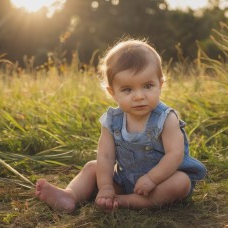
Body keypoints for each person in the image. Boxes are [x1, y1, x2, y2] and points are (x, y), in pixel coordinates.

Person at [35, 39, 207, 212]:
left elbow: (175, 155)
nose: (139, 96)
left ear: (160, 84)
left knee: (181, 182)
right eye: (127, 90)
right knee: (92, 167)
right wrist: (106, 187)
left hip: (160, 182)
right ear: (113, 92)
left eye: (148, 86)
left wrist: (152, 179)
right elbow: (106, 156)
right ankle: (70, 195)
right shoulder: (112, 120)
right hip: (125, 180)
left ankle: (131, 201)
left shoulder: (166, 118)